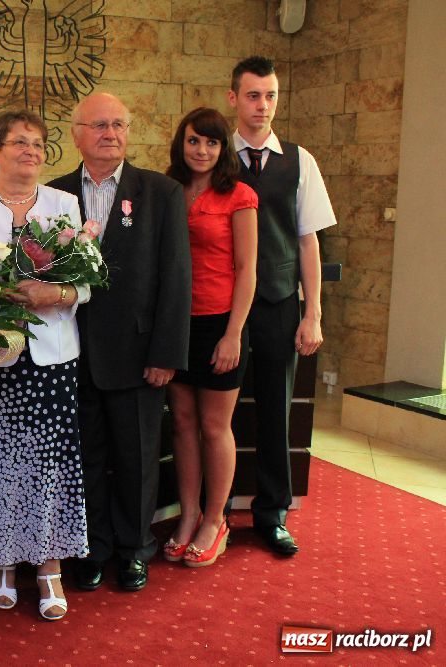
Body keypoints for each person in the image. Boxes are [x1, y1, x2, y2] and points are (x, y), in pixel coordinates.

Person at [0, 110, 89, 621]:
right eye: (19, 142)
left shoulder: (65, 204)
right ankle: (1, 561)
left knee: (48, 461)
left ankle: (49, 566)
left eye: (38, 144)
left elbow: (90, 280)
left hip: (50, 355)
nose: (30, 151)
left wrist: (59, 291)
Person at [48, 93, 191, 593]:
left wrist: (166, 354)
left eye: (119, 125)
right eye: (100, 125)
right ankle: (93, 549)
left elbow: (176, 279)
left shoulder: (161, 193)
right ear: (77, 133)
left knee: (136, 458)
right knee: (84, 459)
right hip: (72, 353)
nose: (111, 133)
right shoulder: (54, 196)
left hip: (138, 357)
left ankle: (134, 550)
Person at [227, 56, 336, 556]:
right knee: (217, 418)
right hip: (219, 309)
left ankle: (272, 514)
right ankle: (216, 512)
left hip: (276, 305)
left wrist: (312, 313)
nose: (263, 106)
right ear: (234, 99)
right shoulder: (212, 155)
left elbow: (308, 241)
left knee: (275, 413)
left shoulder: (299, 160)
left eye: (270, 95)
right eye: (253, 95)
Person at [163, 107, 258, 567]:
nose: (202, 150)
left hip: (220, 323)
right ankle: (188, 514)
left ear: (223, 149)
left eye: (212, 142)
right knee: (182, 423)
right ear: (181, 144)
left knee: (214, 426)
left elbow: (247, 270)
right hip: (176, 324)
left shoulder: (238, 195)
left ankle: (214, 519)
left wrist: (233, 334)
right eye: (194, 141)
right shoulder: (168, 191)